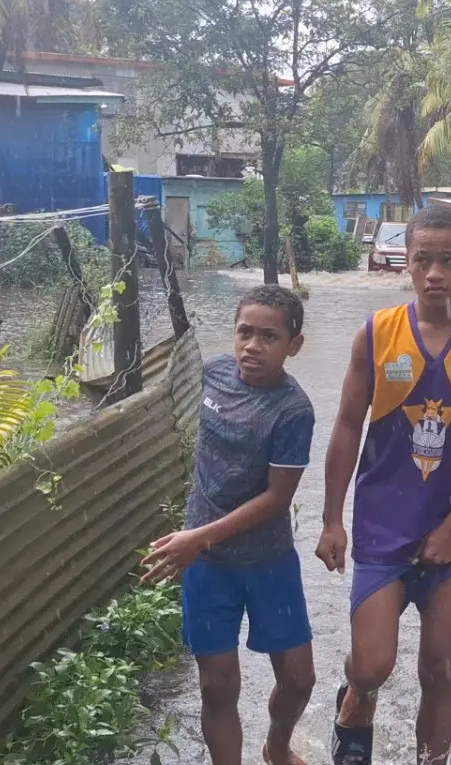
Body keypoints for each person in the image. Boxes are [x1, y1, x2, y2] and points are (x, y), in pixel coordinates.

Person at [316, 205, 451, 765]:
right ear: (405, 262)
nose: (434, 273)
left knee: (439, 666)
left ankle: (432, 760)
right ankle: (356, 698)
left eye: (447, 260)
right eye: (423, 259)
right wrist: (333, 519)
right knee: (372, 664)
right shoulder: (376, 335)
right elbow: (346, 427)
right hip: (384, 528)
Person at [142, 284, 317, 765]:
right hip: (208, 563)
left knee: (299, 678)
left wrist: (196, 537)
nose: (252, 346)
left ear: (293, 346)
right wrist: (197, 538)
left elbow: (277, 499)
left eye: (268, 337)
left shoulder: (293, 410)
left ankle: (276, 746)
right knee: (217, 685)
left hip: (267, 559)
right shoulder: (214, 373)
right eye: (244, 332)